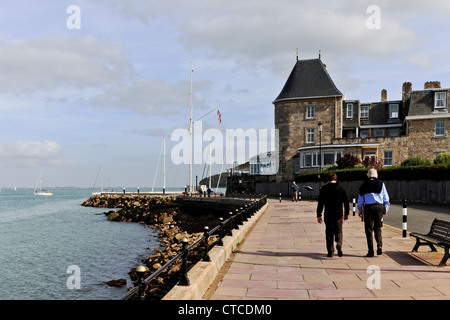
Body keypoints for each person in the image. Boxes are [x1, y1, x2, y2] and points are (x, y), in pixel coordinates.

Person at [358, 168, 390, 257]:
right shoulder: (381, 184)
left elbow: (360, 200)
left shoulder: (364, 185)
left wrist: (360, 210)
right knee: (378, 227)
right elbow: (386, 198)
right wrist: (386, 208)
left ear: (368, 175)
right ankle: (379, 245)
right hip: (379, 207)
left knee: (368, 229)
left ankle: (370, 251)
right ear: (376, 175)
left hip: (368, 208)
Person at [316, 172, 350, 257]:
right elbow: (346, 201)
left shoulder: (324, 188)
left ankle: (330, 251)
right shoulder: (340, 188)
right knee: (339, 231)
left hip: (328, 214)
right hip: (338, 214)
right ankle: (339, 243)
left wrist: (319, 215)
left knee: (329, 232)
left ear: (328, 179)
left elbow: (320, 203)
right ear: (336, 179)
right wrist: (346, 213)